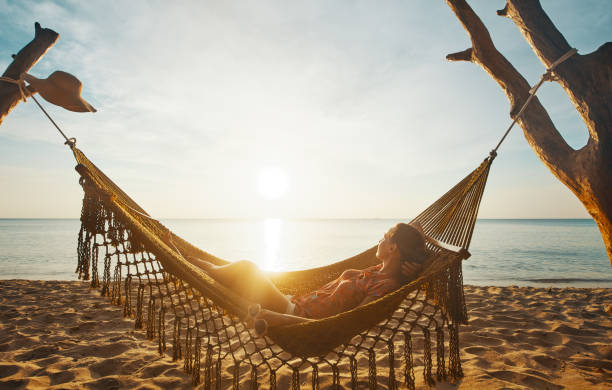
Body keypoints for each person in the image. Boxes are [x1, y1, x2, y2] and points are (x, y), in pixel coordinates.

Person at [165, 223, 427, 329]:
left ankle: (184, 261)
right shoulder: (375, 271)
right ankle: (186, 261)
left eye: (385, 237)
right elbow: (416, 230)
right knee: (239, 276)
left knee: (246, 269)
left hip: (295, 314)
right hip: (292, 301)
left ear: (393, 248)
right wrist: (414, 268)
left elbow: (351, 322)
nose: (379, 240)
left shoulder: (386, 284)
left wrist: (282, 318)